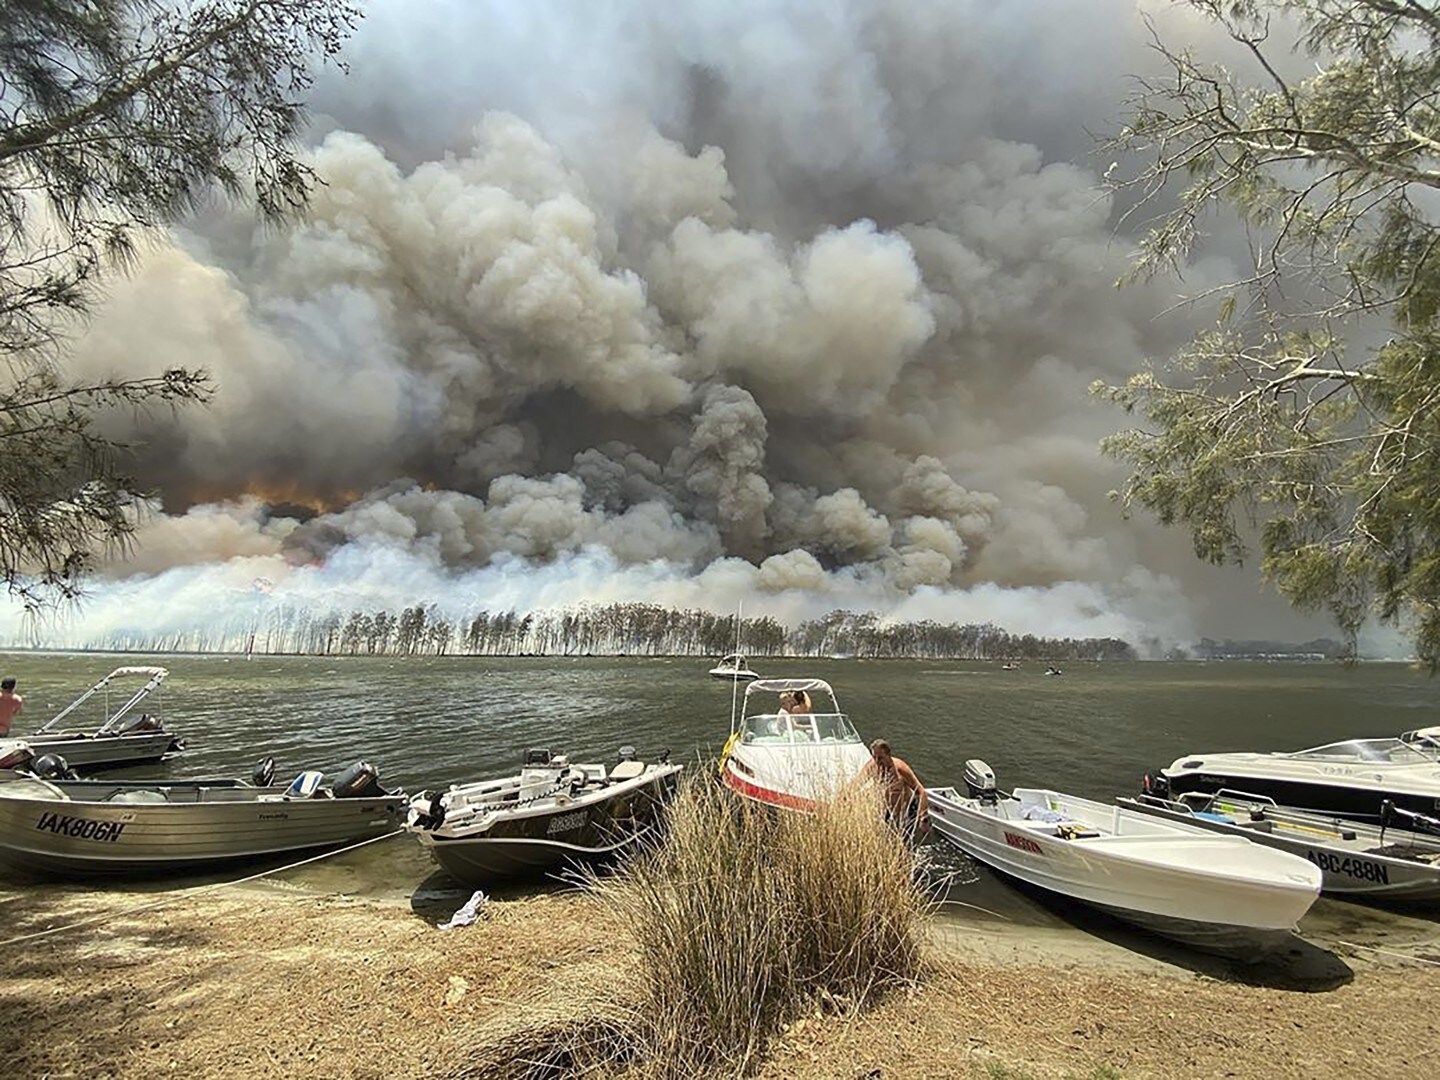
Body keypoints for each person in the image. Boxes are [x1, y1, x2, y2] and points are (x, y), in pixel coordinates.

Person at [858, 738, 929, 837]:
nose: (877, 762)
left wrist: (923, 817)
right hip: (887, 809)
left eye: (881, 758)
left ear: (888, 755)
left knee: (905, 842)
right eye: (875, 757)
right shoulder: (872, 767)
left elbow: (922, 792)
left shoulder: (900, 769)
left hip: (906, 810)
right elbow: (855, 785)